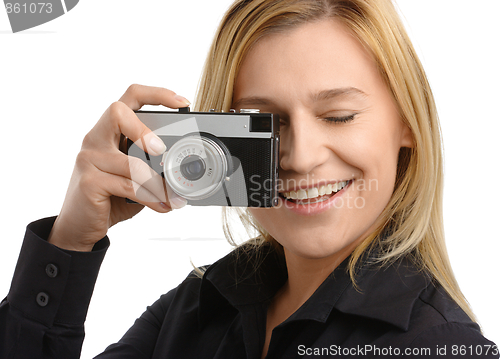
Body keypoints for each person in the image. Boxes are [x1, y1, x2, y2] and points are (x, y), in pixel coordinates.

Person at [1, 0, 498, 358]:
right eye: (265, 123)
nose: (300, 157)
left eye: (340, 115)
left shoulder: (440, 346)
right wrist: (69, 241)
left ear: (407, 123)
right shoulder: (200, 304)